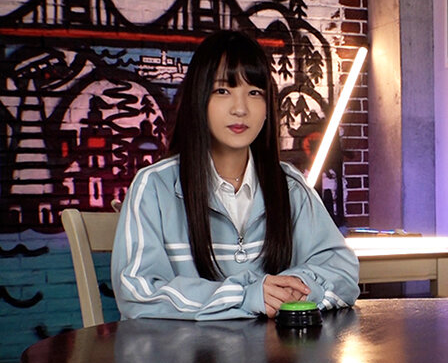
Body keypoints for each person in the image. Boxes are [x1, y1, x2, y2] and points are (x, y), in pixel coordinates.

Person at [111, 30, 359, 320]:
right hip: (185, 350)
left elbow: (341, 269)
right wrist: (246, 295)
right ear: (198, 99)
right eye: (222, 91)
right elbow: (137, 291)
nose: (240, 109)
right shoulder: (155, 186)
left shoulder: (289, 186)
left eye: (254, 93)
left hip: (275, 350)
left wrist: (294, 288)